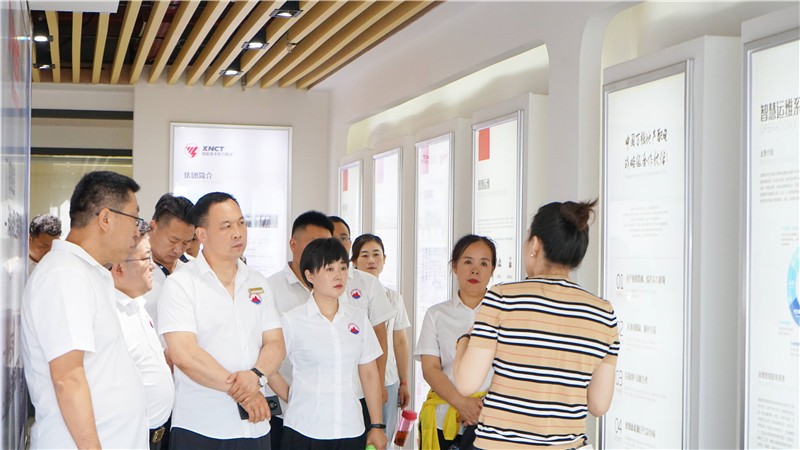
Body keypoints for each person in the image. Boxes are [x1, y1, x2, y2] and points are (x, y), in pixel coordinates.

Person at [453, 200, 620, 449]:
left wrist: (465, 340)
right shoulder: (603, 312)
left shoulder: (502, 298)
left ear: (534, 245)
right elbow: (598, 405)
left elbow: (467, 383)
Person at [21, 170, 149, 449]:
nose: (137, 231)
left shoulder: (88, 272)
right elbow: (67, 378)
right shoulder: (64, 274)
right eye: (134, 219)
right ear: (106, 218)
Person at [158, 192, 286, 449]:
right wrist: (244, 393)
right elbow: (184, 354)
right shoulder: (181, 284)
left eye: (241, 223)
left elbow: (275, 343)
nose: (237, 233)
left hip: (255, 426)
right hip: (202, 427)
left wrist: (256, 377)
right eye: (226, 226)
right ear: (202, 235)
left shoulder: (258, 282)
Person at [269, 238, 388, 450]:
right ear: (310, 275)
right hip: (304, 429)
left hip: (351, 428)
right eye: (329, 268)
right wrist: (293, 397)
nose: (339, 275)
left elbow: (369, 373)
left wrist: (377, 425)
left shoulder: (358, 319)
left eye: (343, 267)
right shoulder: (292, 321)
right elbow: (269, 368)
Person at [264, 210, 339, 447]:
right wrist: (294, 398)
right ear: (293, 245)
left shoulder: (337, 290)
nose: (321, 252)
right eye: (313, 244)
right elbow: (261, 352)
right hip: (283, 410)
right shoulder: (269, 290)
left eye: (326, 244)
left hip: (330, 414)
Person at [415, 235, 497, 450]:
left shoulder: (505, 315)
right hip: (442, 418)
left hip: (491, 420)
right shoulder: (436, 314)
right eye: (468, 262)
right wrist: (461, 403)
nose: (475, 270)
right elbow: (430, 369)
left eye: (484, 264)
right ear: (454, 266)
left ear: (492, 269)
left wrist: (480, 408)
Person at [328, 216, 393, 435]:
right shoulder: (313, 280)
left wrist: (380, 382)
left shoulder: (367, 282)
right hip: (325, 391)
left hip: (362, 388)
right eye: (333, 237)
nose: (339, 243)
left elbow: (380, 335)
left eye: (344, 238)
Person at [110, 236, 174, 450]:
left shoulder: (137, 306)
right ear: (119, 268)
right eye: (146, 258)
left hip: (149, 436)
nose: (153, 265)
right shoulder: (111, 315)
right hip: (123, 437)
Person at [351, 233, 411, 441]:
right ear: (354, 261)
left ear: (384, 259)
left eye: (376, 254)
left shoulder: (393, 297)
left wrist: (404, 382)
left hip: (388, 379)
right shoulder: (346, 294)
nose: (371, 260)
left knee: (384, 436)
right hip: (356, 379)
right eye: (364, 255)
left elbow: (400, 341)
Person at [144, 193, 195, 325]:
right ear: (152, 228)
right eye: (173, 240)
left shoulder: (194, 267)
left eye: (186, 243)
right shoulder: (130, 267)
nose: (178, 250)